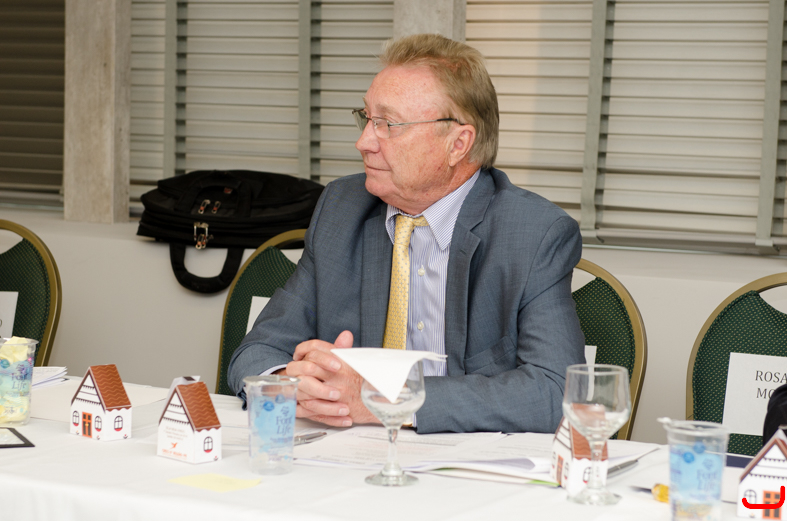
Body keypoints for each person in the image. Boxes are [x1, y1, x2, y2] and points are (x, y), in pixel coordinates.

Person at [227, 33, 585, 434]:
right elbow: (257, 351)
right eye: (366, 119)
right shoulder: (342, 208)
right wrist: (295, 384)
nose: (363, 142)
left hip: (463, 461)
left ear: (458, 144)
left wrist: (381, 399)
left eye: (388, 125)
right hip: (347, 454)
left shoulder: (534, 233)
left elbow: (555, 393)